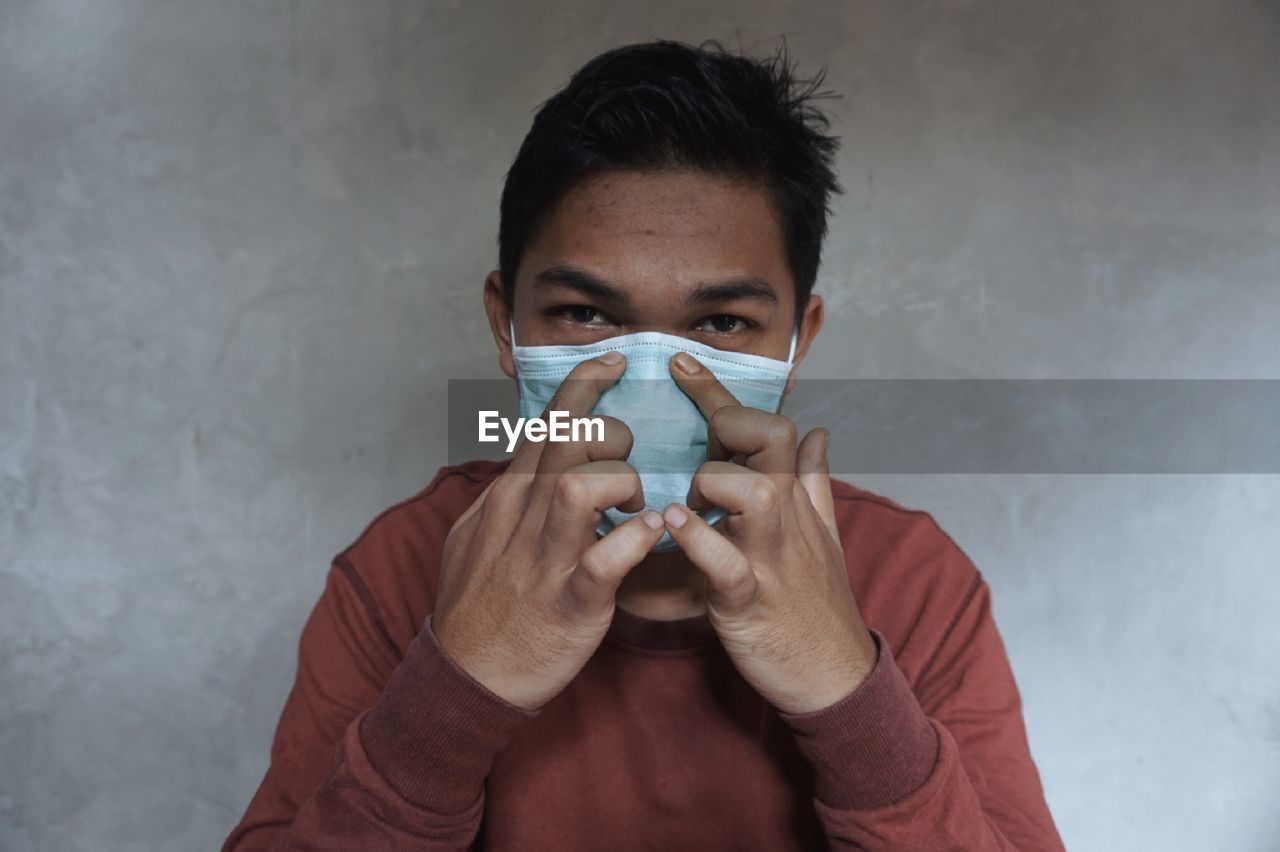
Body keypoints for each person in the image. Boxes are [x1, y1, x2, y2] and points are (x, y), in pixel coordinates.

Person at [223, 39, 1065, 851]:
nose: (654, 376)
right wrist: (455, 689)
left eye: (722, 322)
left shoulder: (913, 581)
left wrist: (847, 692)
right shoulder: (402, 568)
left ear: (796, 344)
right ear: (506, 329)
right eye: (586, 315)